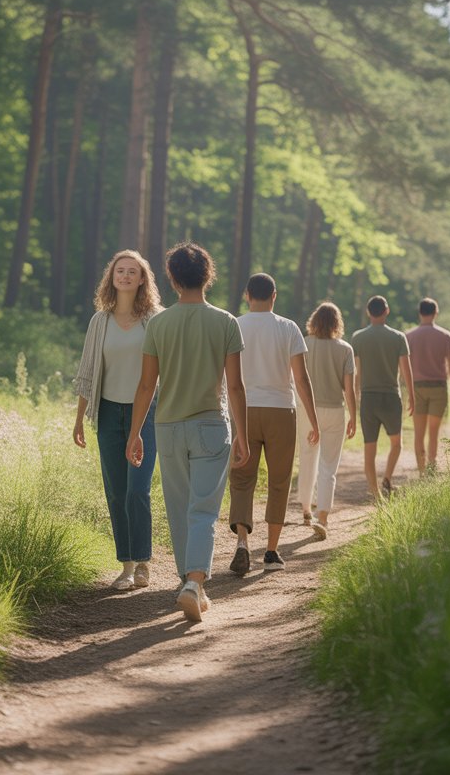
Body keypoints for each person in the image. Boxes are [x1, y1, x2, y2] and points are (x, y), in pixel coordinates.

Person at [127, 243, 249, 624]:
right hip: (212, 425)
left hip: (168, 427)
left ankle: (190, 583)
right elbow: (237, 386)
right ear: (207, 276)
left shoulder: (159, 324)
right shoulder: (226, 322)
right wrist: (242, 436)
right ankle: (195, 583)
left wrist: (135, 434)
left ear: (174, 279)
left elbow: (146, 386)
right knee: (203, 510)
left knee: (179, 510)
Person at [72, 250, 162, 591]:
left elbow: (165, 372)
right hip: (108, 413)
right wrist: (80, 419)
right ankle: (126, 566)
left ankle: (143, 563)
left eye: (132, 271)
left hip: (147, 414)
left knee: (137, 490)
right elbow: (87, 374)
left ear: (142, 279)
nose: (124, 276)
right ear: (112, 278)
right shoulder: (100, 322)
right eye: (119, 271)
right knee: (116, 491)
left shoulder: (154, 319)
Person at [228, 274, 320, 576]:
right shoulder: (288, 327)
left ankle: (242, 541)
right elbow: (301, 379)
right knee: (279, 481)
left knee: (242, 477)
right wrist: (314, 420)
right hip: (281, 410)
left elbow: (225, 377)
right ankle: (270, 550)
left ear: (246, 295)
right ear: (274, 296)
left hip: (243, 410)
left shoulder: (234, 324)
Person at [293, 302, 357, 541]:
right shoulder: (345, 349)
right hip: (334, 412)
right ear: (337, 323)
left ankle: (306, 509)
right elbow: (349, 389)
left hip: (308, 410)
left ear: (314, 321)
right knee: (328, 466)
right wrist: (353, 416)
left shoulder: (304, 344)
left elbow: (296, 379)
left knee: (307, 457)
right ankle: (323, 516)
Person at [350, 296, 414, 497]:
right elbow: (406, 371)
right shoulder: (398, 337)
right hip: (390, 397)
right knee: (396, 443)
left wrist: (355, 396)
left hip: (368, 399)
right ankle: (387, 479)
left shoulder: (357, 338)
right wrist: (412, 395)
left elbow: (355, 372)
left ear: (368, 312)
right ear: (386, 311)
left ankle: (376, 494)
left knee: (370, 448)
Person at [405, 298, 450, 475]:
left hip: (417, 388)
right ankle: (432, 468)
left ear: (419, 313)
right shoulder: (445, 336)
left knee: (418, 433)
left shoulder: (409, 336)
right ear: (436, 312)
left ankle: (421, 471)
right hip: (438, 388)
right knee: (434, 432)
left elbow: (404, 366)